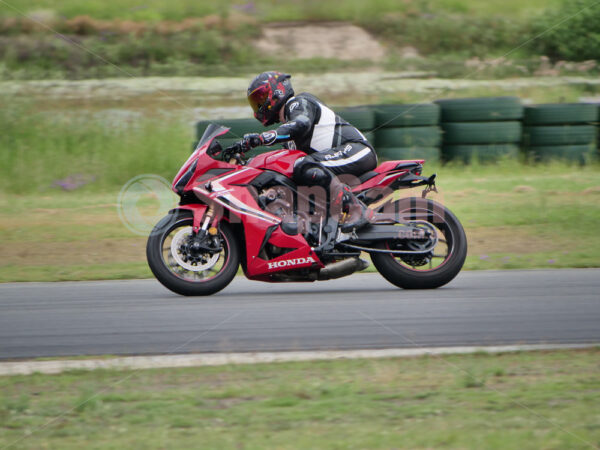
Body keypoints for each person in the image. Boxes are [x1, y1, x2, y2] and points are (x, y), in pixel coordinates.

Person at [241, 71, 377, 232]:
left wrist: (263, 138)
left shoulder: (298, 102)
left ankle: (356, 209)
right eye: (255, 102)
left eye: (261, 98)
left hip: (356, 150)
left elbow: (301, 123)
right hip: (332, 161)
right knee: (291, 175)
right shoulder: (289, 139)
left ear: (276, 91)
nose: (259, 106)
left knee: (304, 164)